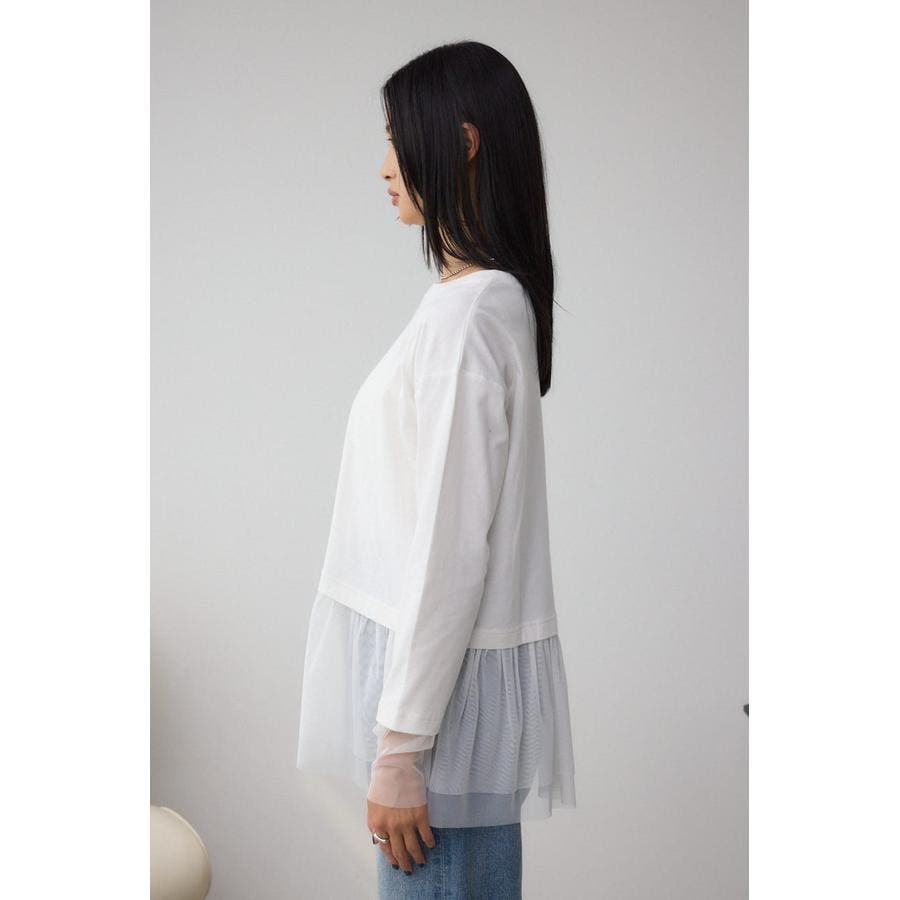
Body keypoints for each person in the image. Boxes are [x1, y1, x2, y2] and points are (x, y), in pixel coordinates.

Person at [295, 40, 576, 898]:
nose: (384, 167)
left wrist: (402, 750)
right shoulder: (482, 305)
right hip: (439, 730)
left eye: (396, 139)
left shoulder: (471, 313)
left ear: (462, 144)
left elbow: (451, 547)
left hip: (435, 742)